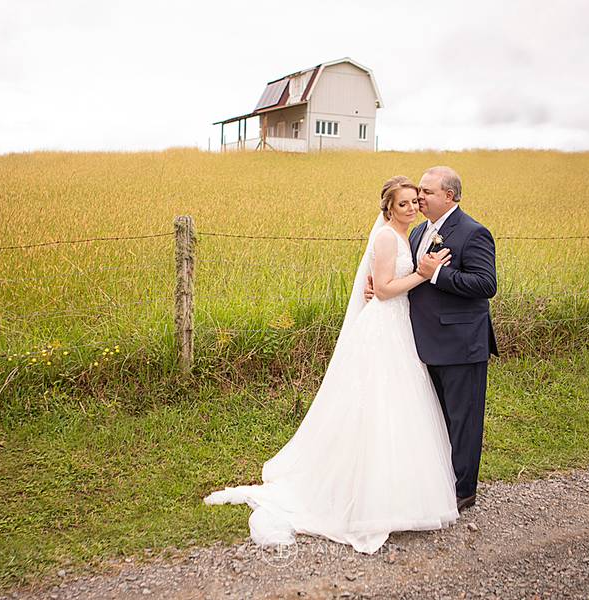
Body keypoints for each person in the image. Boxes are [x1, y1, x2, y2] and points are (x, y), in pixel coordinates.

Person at [204, 176, 459, 554]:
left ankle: (398, 494)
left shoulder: (408, 235)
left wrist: (411, 276)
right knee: (377, 405)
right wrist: (421, 274)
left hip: (397, 328)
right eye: (403, 203)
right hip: (385, 327)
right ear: (388, 207)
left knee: (398, 407)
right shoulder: (388, 237)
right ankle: (365, 496)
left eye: (414, 201)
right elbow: (386, 289)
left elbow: (382, 284)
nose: (411, 207)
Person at [366, 166, 498, 511]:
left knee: (463, 419)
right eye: (418, 193)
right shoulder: (418, 231)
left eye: (426, 192)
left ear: (449, 196)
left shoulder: (473, 233)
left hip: (460, 343)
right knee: (434, 418)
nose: (420, 198)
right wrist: (378, 286)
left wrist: (437, 273)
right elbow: (405, 275)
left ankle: (463, 491)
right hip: (420, 341)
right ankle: (438, 482)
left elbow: (486, 285)